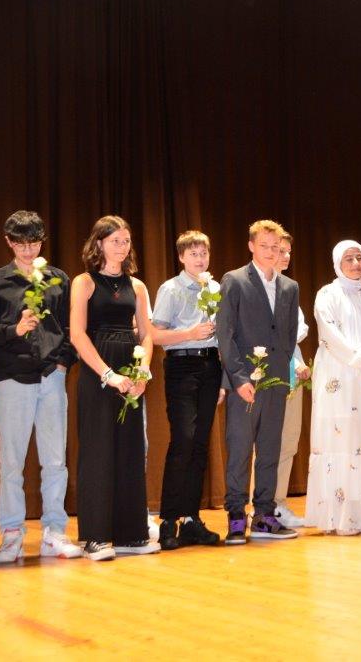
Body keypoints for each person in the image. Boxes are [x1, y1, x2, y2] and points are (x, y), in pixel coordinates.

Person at [0, 211, 82, 563]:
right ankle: (11, 534)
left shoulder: (58, 279)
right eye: (21, 244)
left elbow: (71, 327)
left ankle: (54, 532)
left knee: (55, 460)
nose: (28, 250)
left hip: (51, 376)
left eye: (34, 243)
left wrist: (62, 362)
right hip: (12, 377)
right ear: (8, 242)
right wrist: (16, 329)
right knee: (11, 462)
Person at [69, 215, 158, 560]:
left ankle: (131, 535)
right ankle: (95, 536)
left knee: (130, 450)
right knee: (98, 451)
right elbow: (78, 334)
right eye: (115, 241)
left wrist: (142, 372)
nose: (122, 247)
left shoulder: (137, 286)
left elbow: (146, 335)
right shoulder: (84, 282)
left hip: (130, 371)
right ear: (99, 243)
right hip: (98, 373)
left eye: (126, 241)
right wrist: (108, 375)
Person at [217, 220, 301, 544]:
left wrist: (281, 374)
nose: (270, 252)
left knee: (270, 451)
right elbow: (225, 335)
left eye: (276, 247)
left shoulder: (290, 287)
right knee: (240, 450)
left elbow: (289, 335)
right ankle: (236, 516)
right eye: (264, 246)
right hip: (244, 383)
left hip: (276, 381)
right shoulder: (235, 280)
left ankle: (264, 515)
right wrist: (239, 378)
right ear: (251, 246)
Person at [305, 240, 361, 534]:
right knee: (341, 440)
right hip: (338, 376)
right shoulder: (327, 294)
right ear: (337, 263)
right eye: (349, 259)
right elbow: (330, 336)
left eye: (360, 258)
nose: (356, 263)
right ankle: (339, 516)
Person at [148, 230, 224, 550]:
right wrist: (190, 333)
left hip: (210, 366)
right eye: (193, 254)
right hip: (181, 365)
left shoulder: (216, 289)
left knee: (200, 444)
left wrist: (223, 379)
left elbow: (223, 336)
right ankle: (168, 519)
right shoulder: (171, 289)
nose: (200, 259)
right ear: (181, 257)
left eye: (204, 253)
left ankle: (191, 519)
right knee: (184, 440)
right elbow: (155, 335)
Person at [272, 231, 311, 528]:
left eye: (288, 252)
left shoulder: (289, 289)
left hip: (291, 371)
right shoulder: (257, 290)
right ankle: (263, 504)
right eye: (279, 250)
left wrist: (297, 362)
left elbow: (296, 332)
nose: (285, 256)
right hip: (268, 373)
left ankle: (278, 503)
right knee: (268, 443)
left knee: (288, 441)